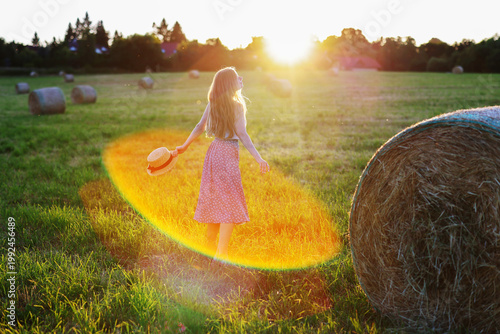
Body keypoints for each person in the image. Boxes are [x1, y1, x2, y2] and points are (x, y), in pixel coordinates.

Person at [172, 67, 269, 262]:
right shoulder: (237, 106)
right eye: (236, 77)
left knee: (216, 199)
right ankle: (221, 253)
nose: (241, 78)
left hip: (214, 151)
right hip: (228, 153)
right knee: (229, 204)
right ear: (230, 83)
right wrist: (259, 158)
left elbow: (200, 126)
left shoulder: (213, 102)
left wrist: (184, 146)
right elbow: (242, 134)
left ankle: (209, 246)